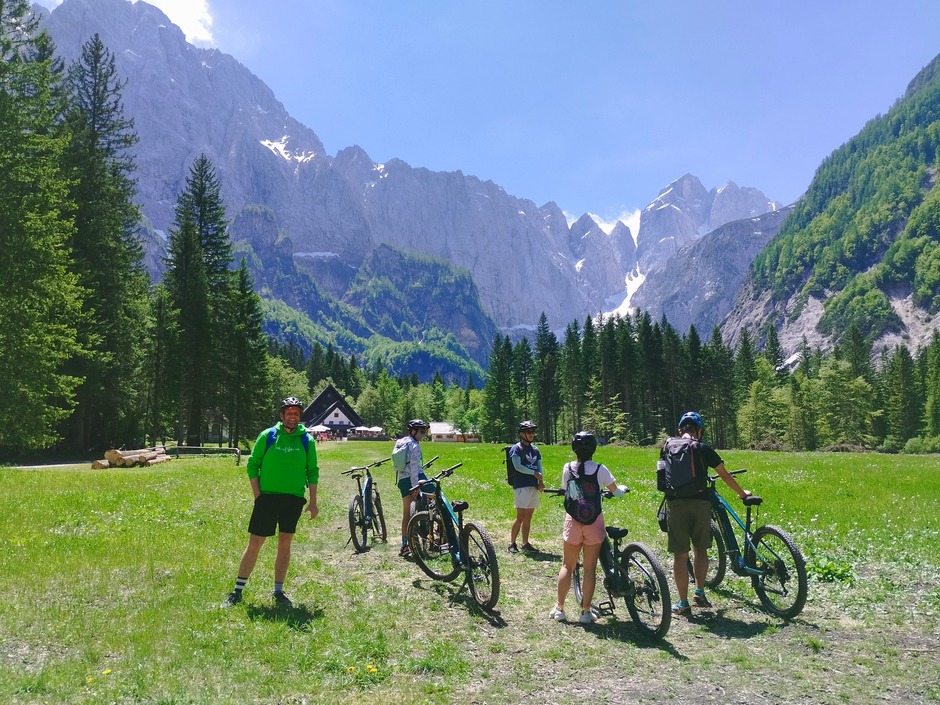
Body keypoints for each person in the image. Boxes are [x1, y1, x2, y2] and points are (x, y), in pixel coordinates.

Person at [222, 396, 319, 608]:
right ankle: (237, 592)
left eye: (296, 413)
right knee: (255, 543)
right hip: (267, 498)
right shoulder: (268, 436)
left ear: (300, 416)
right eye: (289, 412)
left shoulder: (307, 440)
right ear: (282, 415)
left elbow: (312, 471)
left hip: (293, 499)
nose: (293, 416)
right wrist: (258, 495)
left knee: (285, 542)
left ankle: (278, 591)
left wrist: (313, 502)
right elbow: (252, 465)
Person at [664, 411, 750, 615]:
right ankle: (699, 593)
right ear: (699, 430)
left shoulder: (667, 447)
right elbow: (725, 476)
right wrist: (742, 494)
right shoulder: (703, 448)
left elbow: (662, 476)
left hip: (675, 504)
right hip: (700, 503)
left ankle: (682, 603)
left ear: (680, 430)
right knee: (700, 549)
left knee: (680, 555)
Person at [550, 431, 627, 624]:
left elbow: (566, 489)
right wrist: (622, 490)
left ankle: (559, 608)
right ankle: (585, 612)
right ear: (594, 449)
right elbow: (616, 492)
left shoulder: (567, 468)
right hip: (594, 522)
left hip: (573, 521)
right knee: (590, 568)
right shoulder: (600, 469)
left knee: (567, 566)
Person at [393, 419, 430, 557]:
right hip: (415, 478)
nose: (423, 435)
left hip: (402, 480)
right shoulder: (415, 446)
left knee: (406, 514)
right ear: (413, 431)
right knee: (437, 496)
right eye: (421, 432)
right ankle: (436, 526)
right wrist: (416, 486)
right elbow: (414, 467)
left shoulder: (400, 442)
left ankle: (405, 545)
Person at [508, 420, 544, 553]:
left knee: (528, 517)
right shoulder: (516, 448)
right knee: (520, 516)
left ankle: (525, 543)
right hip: (521, 486)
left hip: (533, 486)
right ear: (522, 434)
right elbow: (517, 466)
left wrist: (540, 481)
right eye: (529, 432)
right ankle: (512, 543)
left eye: (533, 432)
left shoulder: (535, 450)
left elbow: (539, 468)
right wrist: (533, 473)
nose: (532, 434)